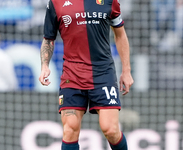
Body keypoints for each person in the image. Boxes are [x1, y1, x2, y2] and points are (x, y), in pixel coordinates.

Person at [39, 0, 134, 149]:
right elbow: (48, 39)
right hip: (72, 75)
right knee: (70, 129)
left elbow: (120, 35)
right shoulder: (56, 2)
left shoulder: (110, 1)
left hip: (103, 73)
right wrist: (44, 65)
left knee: (111, 130)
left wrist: (126, 71)